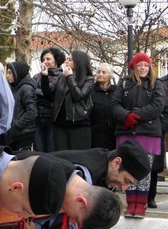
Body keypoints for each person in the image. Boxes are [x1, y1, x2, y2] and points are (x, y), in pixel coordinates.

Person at [111, 53, 165, 218]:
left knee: (144, 170)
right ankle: (131, 203)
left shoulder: (157, 84)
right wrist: (125, 116)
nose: (143, 68)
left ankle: (141, 204)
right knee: (127, 168)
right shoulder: (124, 83)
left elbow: (158, 105)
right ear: (134, 67)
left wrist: (137, 116)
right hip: (126, 131)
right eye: (140, 65)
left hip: (148, 133)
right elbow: (114, 104)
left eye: (146, 65)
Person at [42, 50, 94, 150]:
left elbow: (78, 96)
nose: (66, 62)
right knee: (62, 159)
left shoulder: (88, 79)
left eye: (70, 59)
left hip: (78, 125)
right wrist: (45, 77)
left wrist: (70, 77)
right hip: (60, 126)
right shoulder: (62, 77)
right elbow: (49, 96)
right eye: (67, 59)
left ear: (78, 62)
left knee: (77, 158)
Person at [52, 140, 150, 192]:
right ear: (116, 163)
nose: (124, 188)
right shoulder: (85, 173)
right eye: (127, 181)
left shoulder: (105, 164)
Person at [0, 61, 36, 151]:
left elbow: (31, 112)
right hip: (13, 133)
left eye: (10, 73)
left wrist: (16, 125)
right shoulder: (12, 87)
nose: (7, 76)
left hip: (23, 134)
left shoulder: (26, 88)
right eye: (7, 73)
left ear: (17, 73)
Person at [33, 47, 65, 152]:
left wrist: (41, 92)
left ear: (56, 60)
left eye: (48, 59)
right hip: (37, 117)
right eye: (43, 59)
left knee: (52, 150)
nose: (45, 62)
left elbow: (53, 95)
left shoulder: (62, 76)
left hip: (52, 118)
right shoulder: (36, 76)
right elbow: (32, 92)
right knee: (38, 150)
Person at [148, 73, 168, 208]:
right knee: (153, 164)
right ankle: (149, 197)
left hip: (160, 127)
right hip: (157, 129)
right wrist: (162, 128)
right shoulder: (161, 82)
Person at [90, 63, 116, 150]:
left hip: (113, 133)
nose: (100, 74)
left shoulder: (116, 91)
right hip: (96, 133)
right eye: (99, 72)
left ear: (110, 75)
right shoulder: (91, 90)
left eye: (104, 72)